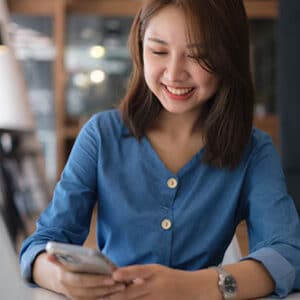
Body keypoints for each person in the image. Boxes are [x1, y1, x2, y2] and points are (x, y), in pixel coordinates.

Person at [20, 0, 300, 299]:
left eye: (198, 55)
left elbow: (287, 256)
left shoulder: (254, 150)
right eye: (159, 51)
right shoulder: (101, 136)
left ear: (228, 56)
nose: (174, 72)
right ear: (140, 49)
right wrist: (58, 276)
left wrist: (187, 287)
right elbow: (44, 241)